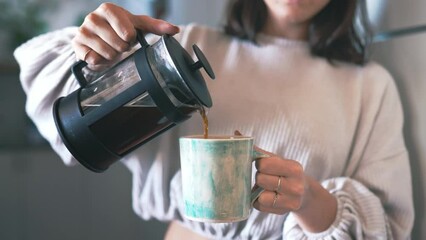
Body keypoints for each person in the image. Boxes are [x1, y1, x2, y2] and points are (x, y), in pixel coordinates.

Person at [14, 0, 414, 239]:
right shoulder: (184, 47)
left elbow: (388, 228)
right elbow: (67, 124)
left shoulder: (368, 86)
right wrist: (96, 54)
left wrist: (308, 198)